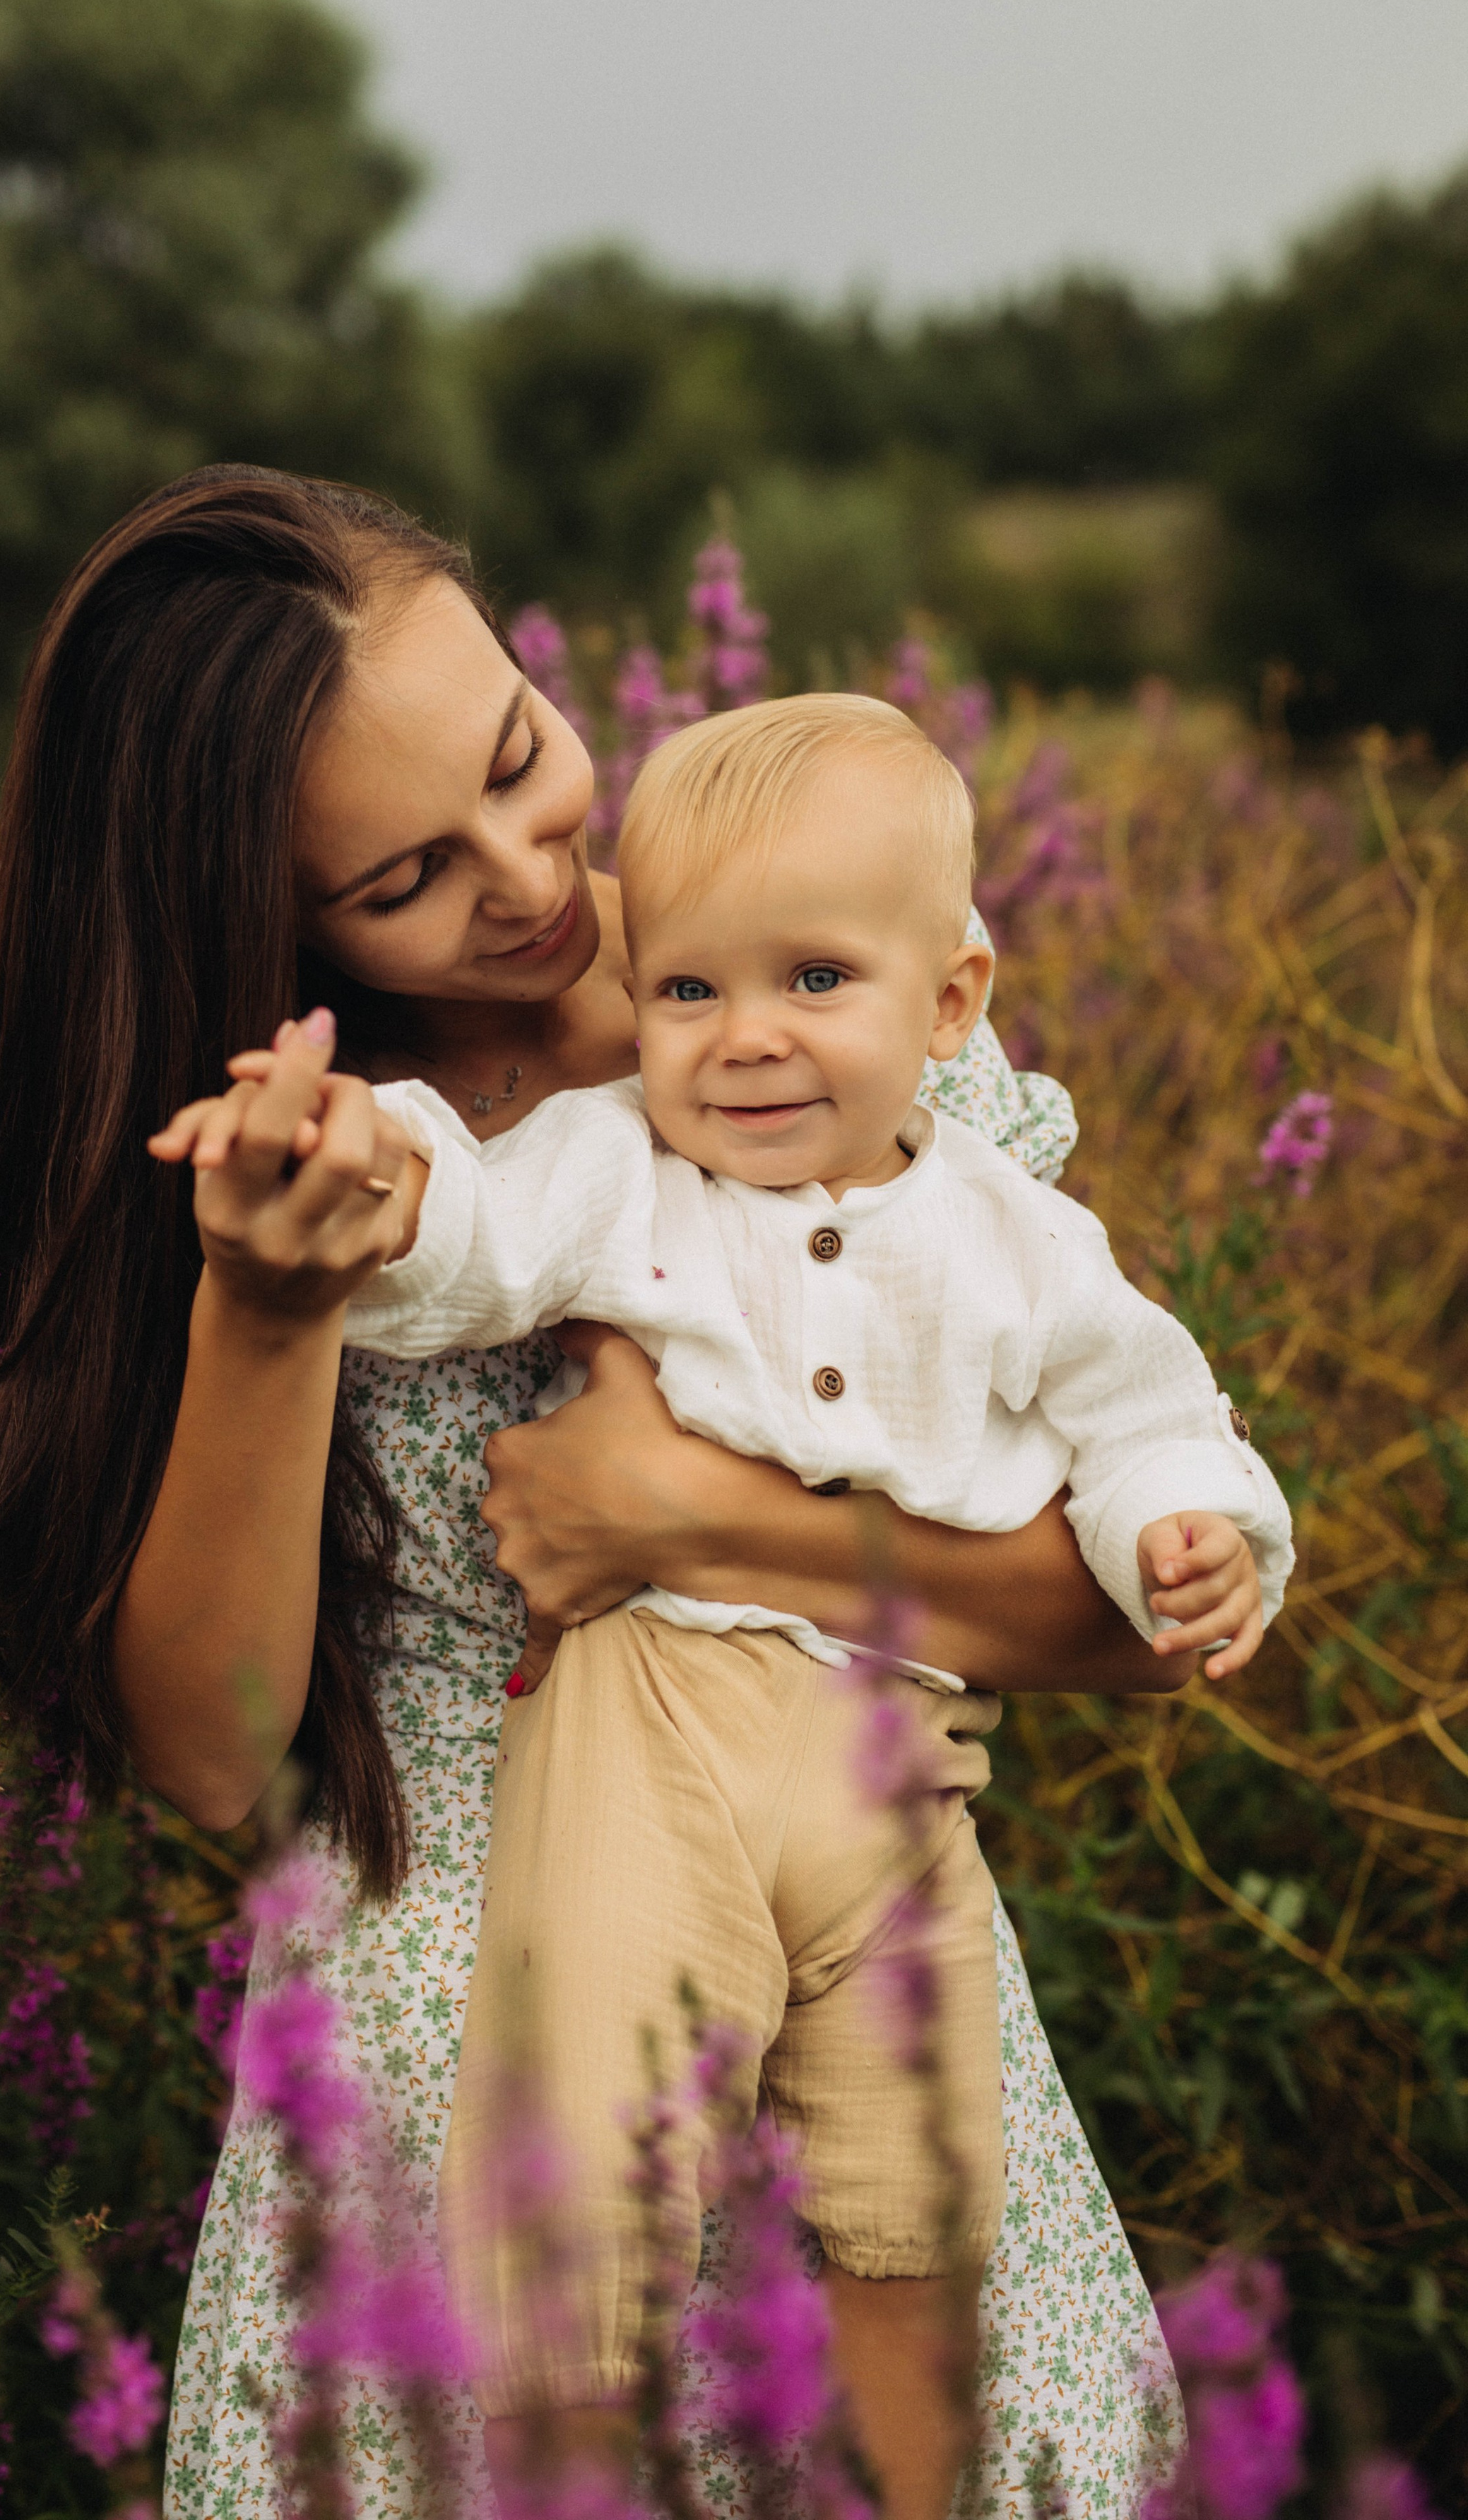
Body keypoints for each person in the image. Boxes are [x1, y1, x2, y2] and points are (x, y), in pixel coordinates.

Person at [0, 468, 1188, 2520]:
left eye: (521, 755)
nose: (528, 877)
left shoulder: (811, 979)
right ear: (268, 916)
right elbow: (221, 1756)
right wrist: (271, 1305)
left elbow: (1112, 1621)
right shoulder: (276, 1152)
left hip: (850, 1990)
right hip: (454, 2108)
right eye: (408, 874)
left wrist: (701, 1525)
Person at [177, 691, 1287, 2513]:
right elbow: (479, 1238)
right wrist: (365, 1183)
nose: (743, 1040)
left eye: (815, 985)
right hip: (644, 1747)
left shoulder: (1008, 1221)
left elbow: (1138, 1402)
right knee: (583, 2188)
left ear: (949, 1005)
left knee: (920, 2181)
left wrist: (1189, 1528)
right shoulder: (623, 1161)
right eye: (689, 993)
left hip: (895, 1777)